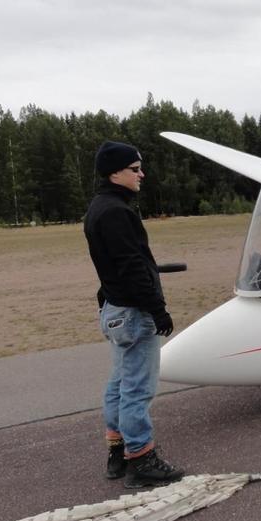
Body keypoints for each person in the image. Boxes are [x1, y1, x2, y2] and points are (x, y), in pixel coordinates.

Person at [84, 140, 185, 489]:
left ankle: (118, 451)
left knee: (119, 383)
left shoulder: (99, 207)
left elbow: (109, 265)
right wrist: (158, 311)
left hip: (114, 309)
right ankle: (142, 459)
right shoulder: (116, 212)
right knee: (137, 390)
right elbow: (130, 266)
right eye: (135, 168)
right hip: (133, 312)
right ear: (115, 172)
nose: (142, 174)